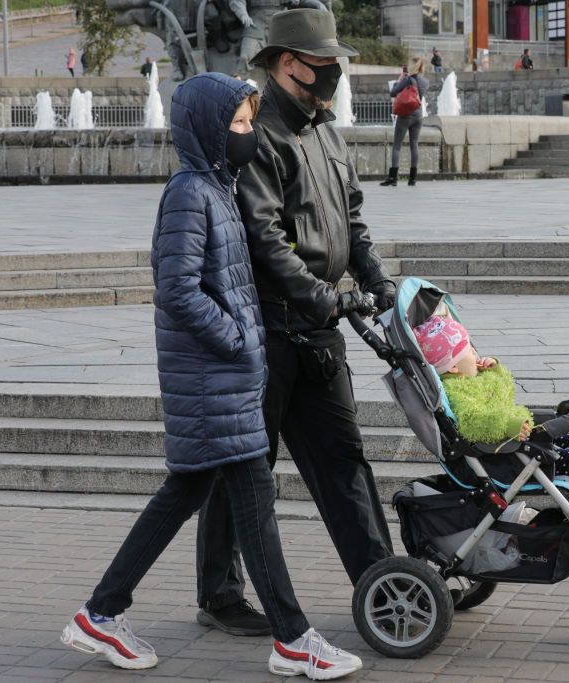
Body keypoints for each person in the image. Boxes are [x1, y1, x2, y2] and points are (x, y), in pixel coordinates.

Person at [58, 72, 362, 681]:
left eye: (251, 123)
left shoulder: (216, 188)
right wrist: (242, 341)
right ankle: (294, 638)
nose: (249, 134)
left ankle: (100, 613)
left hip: (221, 380)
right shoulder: (188, 193)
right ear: (206, 127)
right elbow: (176, 290)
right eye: (241, 124)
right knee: (254, 500)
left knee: (184, 494)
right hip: (214, 377)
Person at [191, 8, 396, 640]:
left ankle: (387, 586)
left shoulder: (327, 131)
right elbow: (265, 237)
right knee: (245, 468)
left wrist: (378, 281)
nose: (333, 74)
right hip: (270, 333)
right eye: (323, 65)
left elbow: (352, 221)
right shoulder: (257, 134)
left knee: (346, 462)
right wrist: (323, 297)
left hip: (321, 330)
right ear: (287, 63)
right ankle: (221, 595)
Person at [413, 315, 569, 518]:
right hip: (502, 457)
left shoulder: (473, 378)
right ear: (453, 366)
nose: (475, 352)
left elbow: (505, 392)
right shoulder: (456, 392)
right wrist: (509, 424)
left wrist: (494, 369)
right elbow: (474, 421)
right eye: (468, 349)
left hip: (516, 443)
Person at [382, 57, 428, 187]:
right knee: (414, 145)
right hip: (418, 115)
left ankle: (393, 178)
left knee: (397, 146)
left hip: (405, 116)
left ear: (412, 66)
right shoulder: (425, 81)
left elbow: (393, 92)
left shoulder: (407, 79)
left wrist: (400, 80)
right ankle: (412, 179)